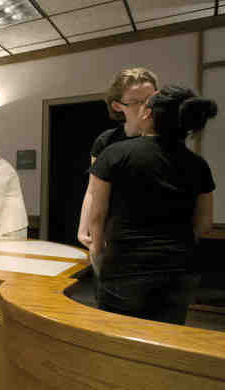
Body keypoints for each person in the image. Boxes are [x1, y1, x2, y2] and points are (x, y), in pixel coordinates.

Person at [87, 85, 217, 324]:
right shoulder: (198, 164)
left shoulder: (115, 154)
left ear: (147, 114)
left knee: (118, 340)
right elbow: (205, 222)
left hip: (124, 268)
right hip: (179, 270)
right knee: (166, 340)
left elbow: (97, 216)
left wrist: (97, 250)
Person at [78, 68, 158, 247]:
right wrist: (84, 228)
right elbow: (93, 190)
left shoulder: (166, 139)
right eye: (138, 102)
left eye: (151, 100)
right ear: (118, 106)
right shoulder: (106, 141)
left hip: (152, 237)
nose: (148, 107)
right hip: (113, 234)